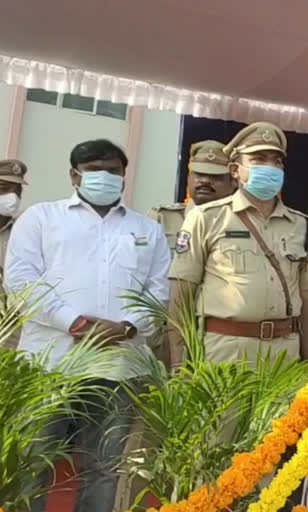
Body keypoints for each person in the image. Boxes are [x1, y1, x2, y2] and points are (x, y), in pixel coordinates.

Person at [4, 139, 170, 512]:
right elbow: (21, 281)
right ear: (73, 174)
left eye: (114, 170)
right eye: (95, 168)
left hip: (117, 366)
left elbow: (159, 293)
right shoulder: (42, 217)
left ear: (125, 176)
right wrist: (74, 323)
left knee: (104, 468)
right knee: (32, 463)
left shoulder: (148, 229)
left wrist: (127, 328)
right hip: (49, 366)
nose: (105, 177)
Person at [167, 121, 308, 368]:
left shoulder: (301, 225)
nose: (270, 167)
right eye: (259, 159)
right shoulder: (206, 217)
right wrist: (179, 364)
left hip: (284, 355)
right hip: (224, 352)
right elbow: (182, 294)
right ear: (235, 170)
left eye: (276, 161)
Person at [148, 140, 236, 250]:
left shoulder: (242, 223)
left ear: (233, 183)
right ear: (189, 178)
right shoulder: (162, 218)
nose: (205, 181)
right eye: (199, 174)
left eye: (215, 176)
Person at [0, 159, 28, 349]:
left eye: (17, 190)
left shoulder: (24, 229)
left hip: (11, 325)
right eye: (3, 187)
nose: (12, 196)